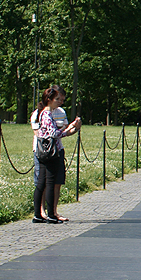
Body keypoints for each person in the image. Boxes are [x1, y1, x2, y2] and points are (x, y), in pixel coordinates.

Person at [32, 86, 81, 224]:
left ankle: (38, 214)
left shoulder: (42, 113)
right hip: (51, 151)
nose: (59, 102)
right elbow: (54, 133)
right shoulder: (47, 114)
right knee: (49, 182)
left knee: (41, 182)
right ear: (49, 100)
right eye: (57, 99)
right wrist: (69, 129)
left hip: (42, 150)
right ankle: (51, 215)